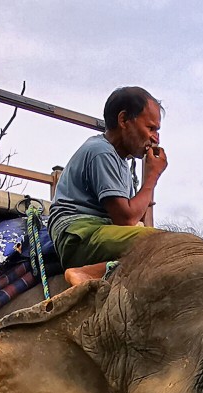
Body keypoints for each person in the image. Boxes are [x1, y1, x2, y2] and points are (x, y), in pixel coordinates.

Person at [50, 86, 167, 285]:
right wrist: (152, 177)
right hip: (80, 234)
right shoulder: (101, 152)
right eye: (150, 128)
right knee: (161, 242)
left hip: (100, 233)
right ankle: (86, 272)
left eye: (157, 131)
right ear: (123, 120)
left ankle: (102, 270)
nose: (155, 138)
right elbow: (126, 219)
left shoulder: (122, 161)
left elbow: (132, 217)